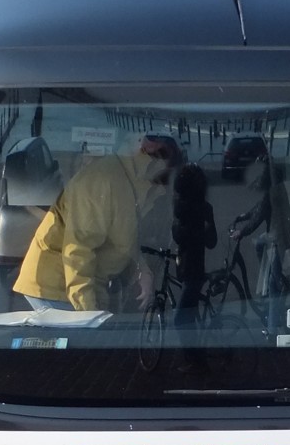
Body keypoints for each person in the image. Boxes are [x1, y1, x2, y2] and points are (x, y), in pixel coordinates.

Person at [14, 134, 178, 312]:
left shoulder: (137, 185)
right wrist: (88, 313)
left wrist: (140, 269)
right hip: (58, 288)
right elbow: (78, 251)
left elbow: (119, 237)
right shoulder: (103, 182)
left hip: (89, 284)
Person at [230, 154, 290, 335]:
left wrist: (241, 232)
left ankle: (272, 330)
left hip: (279, 237)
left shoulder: (273, 191)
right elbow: (259, 207)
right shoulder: (273, 186)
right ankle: (271, 274)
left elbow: (259, 216)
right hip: (274, 232)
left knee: (273, 286)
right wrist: (242, 216)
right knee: (259, 244)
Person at [170, 162, 217, 373]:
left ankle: (196, 361)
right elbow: (211, 241)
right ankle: (198, 359)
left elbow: (179, 236)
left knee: (180, 319)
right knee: (189, 317)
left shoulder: (183, 208)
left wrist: (189, 230)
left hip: (192, 272)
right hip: (192, 270)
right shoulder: (203, 208)